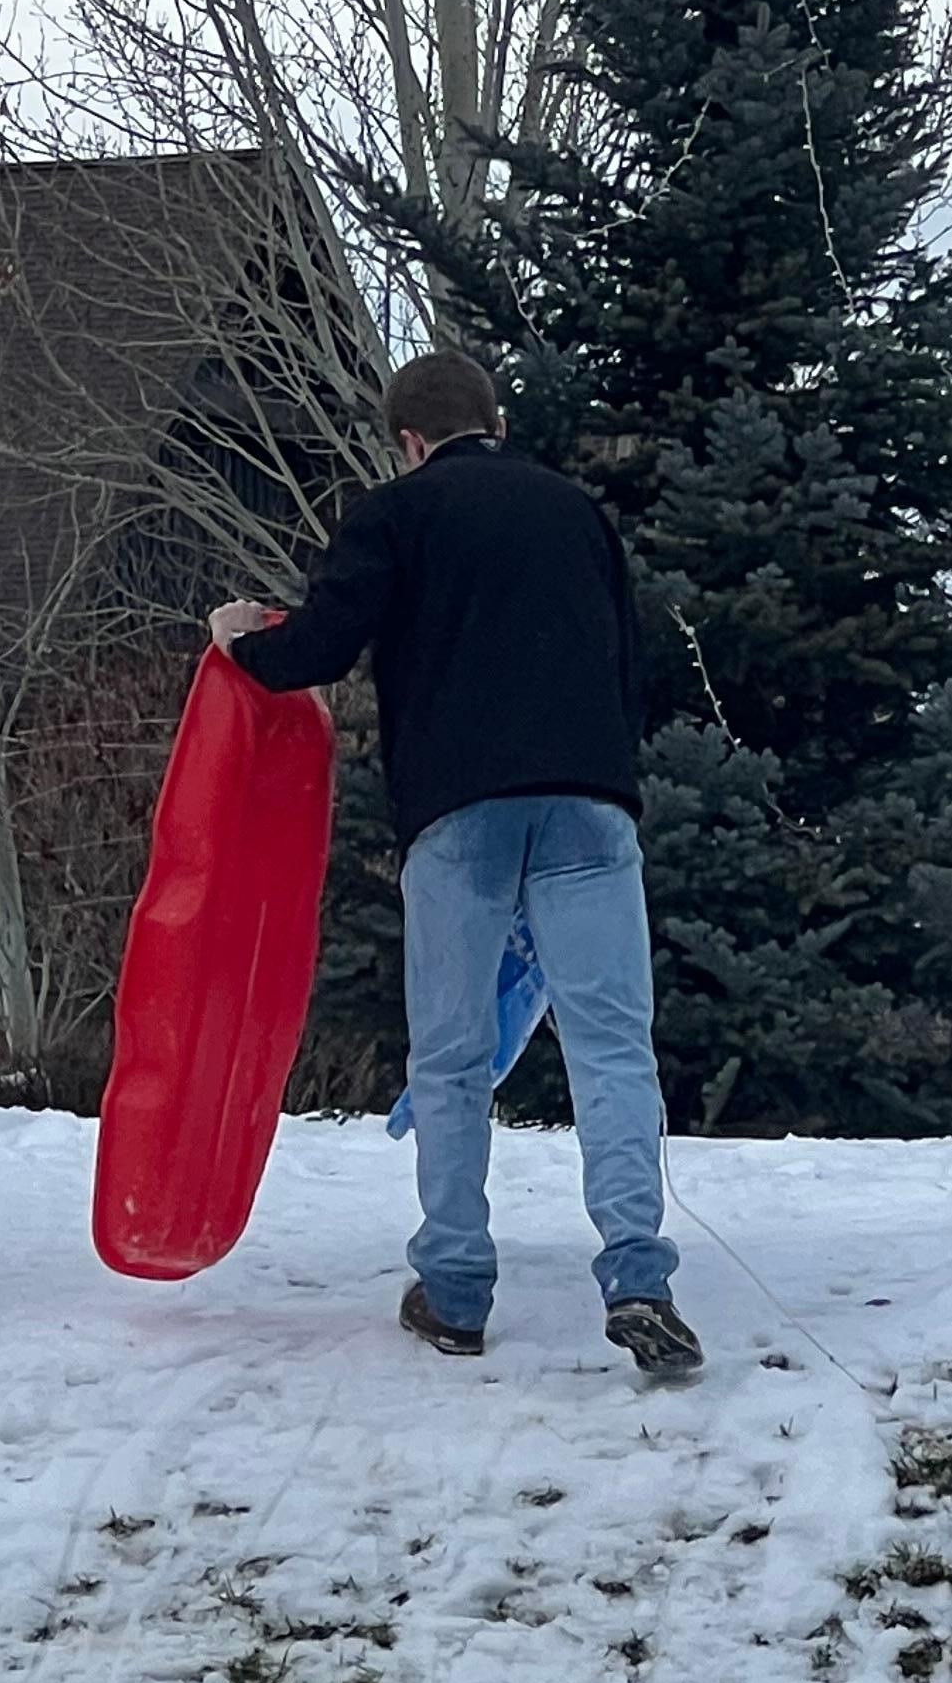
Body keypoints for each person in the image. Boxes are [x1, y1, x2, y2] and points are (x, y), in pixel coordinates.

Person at [211, 347, 703, 1376]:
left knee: (452, 1056)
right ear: (500, 422)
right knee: (612, 1045)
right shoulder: (577, 512)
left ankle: (457, 1285)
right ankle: (640, 1276)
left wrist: (240, 640)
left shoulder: (396, 515)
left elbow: (318, 648)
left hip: (459, 809)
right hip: (588, 800)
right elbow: (630, 660)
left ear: (407, 440)